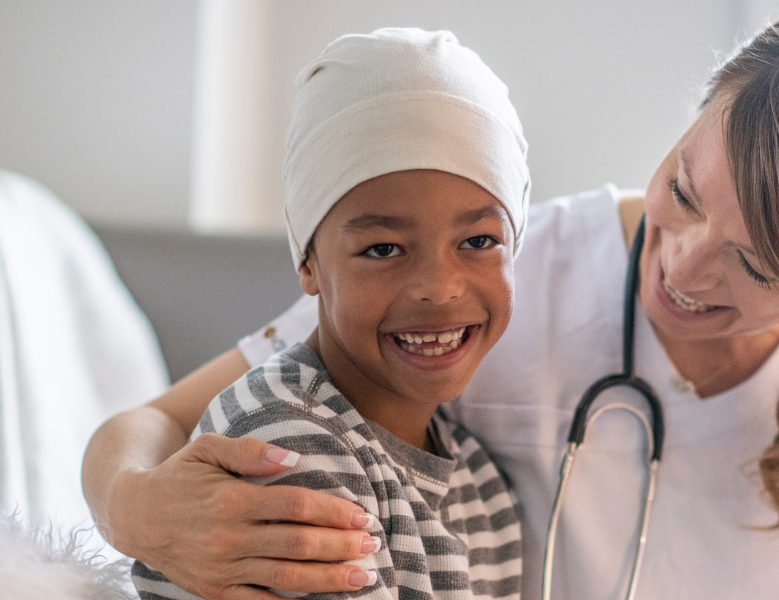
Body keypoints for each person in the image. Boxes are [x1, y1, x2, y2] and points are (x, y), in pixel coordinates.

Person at [83, 3, 779, 599]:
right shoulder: (503, 275)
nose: (682, 268)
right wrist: (135, 508)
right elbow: (158, 421)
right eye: (683, 189)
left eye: (756, 268)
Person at [127, 29, 528, 600]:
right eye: (384, 249)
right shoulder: (286, 443)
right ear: (309, 263)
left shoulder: (482, 485)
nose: (439, 289)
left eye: (479, 240)